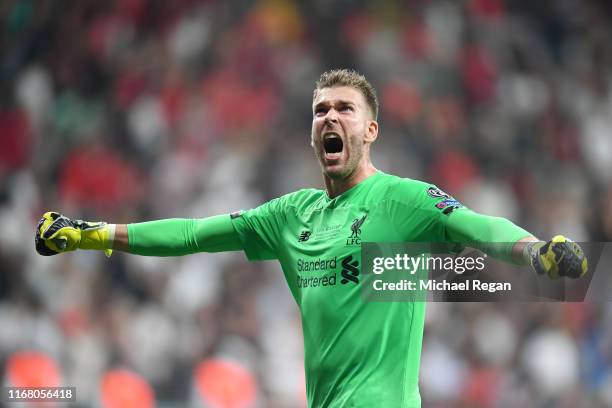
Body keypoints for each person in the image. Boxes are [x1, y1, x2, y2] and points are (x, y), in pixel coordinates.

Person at [35, 69, 587, 407]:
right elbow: (192, 235)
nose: (331, 117)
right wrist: (91, 234)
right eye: (321, 109)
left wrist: (534, 251)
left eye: (345, 109)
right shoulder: (290, 215)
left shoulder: (406, 200)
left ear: (370, 131)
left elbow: (479, 226)